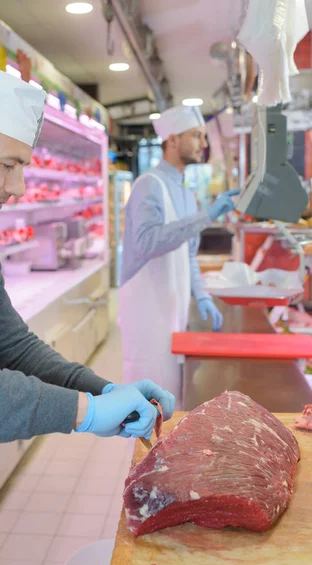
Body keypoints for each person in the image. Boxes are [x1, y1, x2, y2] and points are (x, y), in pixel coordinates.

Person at [0, 52, 175, 565]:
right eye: (7, 165)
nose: (19, 187)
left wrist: (102, 388)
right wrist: (83, 412)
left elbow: (13, 347)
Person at [119, 105, 239, 399]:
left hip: (173, 310)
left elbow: (187, 255)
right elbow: (148, 242)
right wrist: (207, 216)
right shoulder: (148, 185)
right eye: (196, 136)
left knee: (172, 394)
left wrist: (203, 297)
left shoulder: (186, 194)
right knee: (146, 400)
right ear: (172, 140)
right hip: (147, 313)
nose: (204, 144)